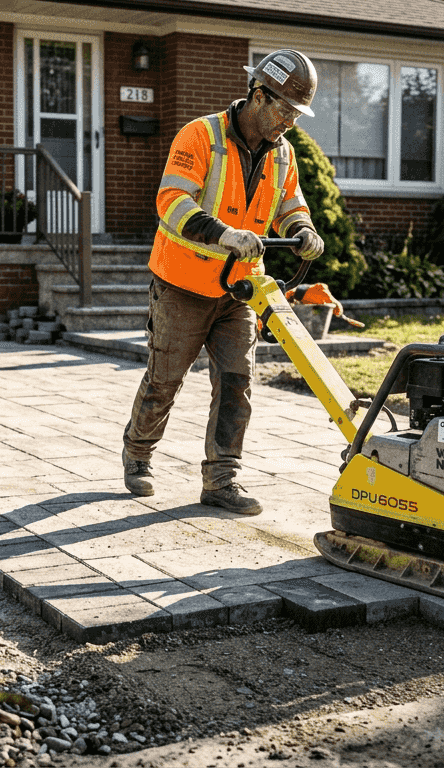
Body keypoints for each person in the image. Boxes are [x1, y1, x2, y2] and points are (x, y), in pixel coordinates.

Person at [121, 49, 325, 516]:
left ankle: (222, 479)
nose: (291, 122)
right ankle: (138, 453)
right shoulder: (200, 136)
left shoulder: (283, 153)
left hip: (240, 289)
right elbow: (171, 202)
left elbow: (290, 204)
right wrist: (226, 234)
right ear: (259, 95)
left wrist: (303, 232)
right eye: (287, 110)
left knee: (237, 382)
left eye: (298, 113)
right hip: (182, 283)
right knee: (165, 379)